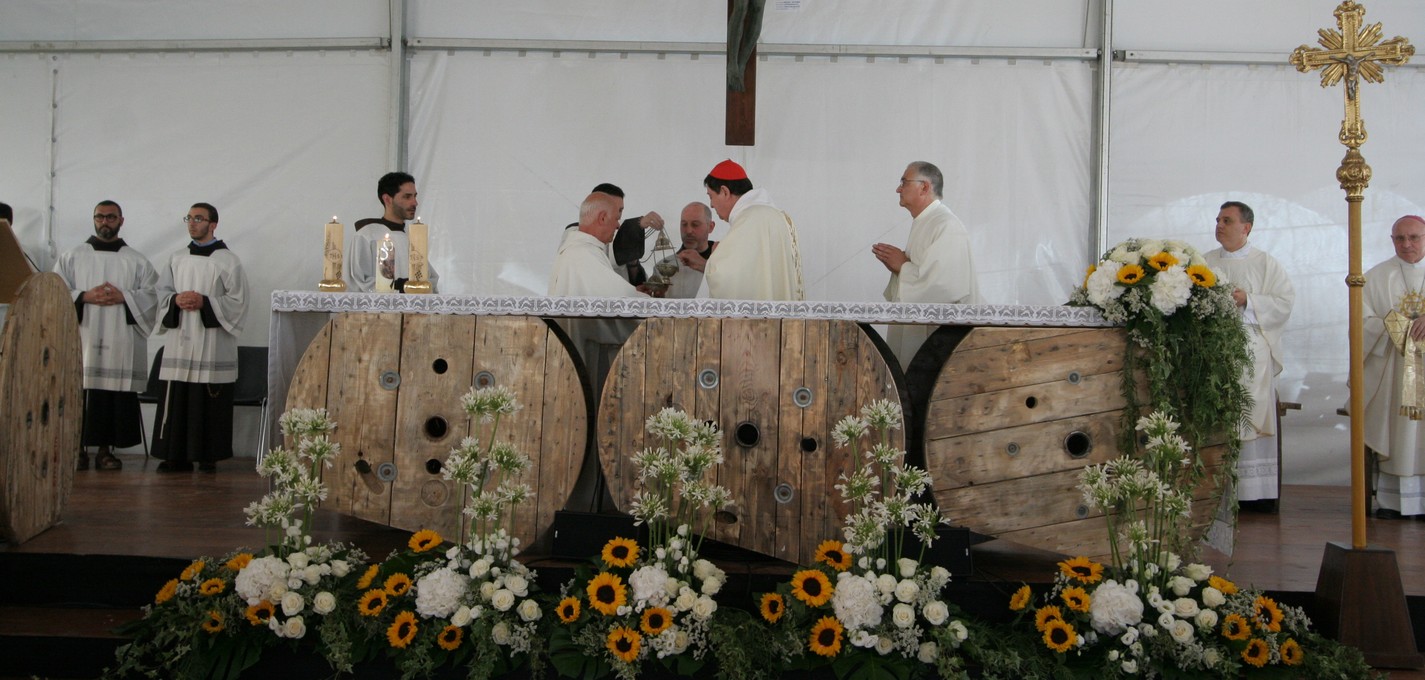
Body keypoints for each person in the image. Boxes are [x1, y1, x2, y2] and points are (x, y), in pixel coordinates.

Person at [53, 200, 159, 470]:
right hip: (82, 338)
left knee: (110, 398)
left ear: (121, 220)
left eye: (111, 217)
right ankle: (76, 451)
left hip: (119, 340)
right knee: (78, 392)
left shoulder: (136, 260)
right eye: (100, 217)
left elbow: (151, 298)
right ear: (94, 219)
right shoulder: (72, 256)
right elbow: (53, 293)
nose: (104, 222)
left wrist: (125, 296)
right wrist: (84, 296)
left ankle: (105, 451)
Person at [1203, 201, 1295, 512]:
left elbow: (1285, 302)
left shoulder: (1266, 263)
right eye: (1217, 220)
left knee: (1249, 413)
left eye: (1226, 220)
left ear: (1246, 227)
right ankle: (1217, 491)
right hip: (1214, 355)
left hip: (1252, 356)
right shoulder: (1203, 263)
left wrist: (1249, 300)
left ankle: (1256, 493)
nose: (1219, 225)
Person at [151, 203, 249, 473]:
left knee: (207, 398)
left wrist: (205, 302)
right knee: (179, 396)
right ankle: (175, 456)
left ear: (213, 224)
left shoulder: (228, 260)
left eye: (199, 218)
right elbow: (160, 294)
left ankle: (208, 455)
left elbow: (238, 302)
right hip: (180, 339)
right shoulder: (176, 258)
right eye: (189, 218)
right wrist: (175, 299)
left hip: (212, 342)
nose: (192, 223)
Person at [873, 161, 979, 366]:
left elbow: (944, 287)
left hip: (941, 338)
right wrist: (900, 267)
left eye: (904, 182)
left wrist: (903, 267)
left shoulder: (946, 224)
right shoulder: (925, 221)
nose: (898, 189)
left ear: (924, 187)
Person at [1364, 214, 1425, 518]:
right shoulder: (1376, 277)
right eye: (1400, 238)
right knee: (1399, 432)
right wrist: (1398, 326)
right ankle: (1394, 502)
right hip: (1393, 369)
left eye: (1414, 237)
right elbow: (1361, 321)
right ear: (1392, 240)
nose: (1407, 244)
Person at [702, 160, 804, 301]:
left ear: (725, 192)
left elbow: (723, 276)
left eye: (711, 196)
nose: (711, 205)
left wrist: (714, 257)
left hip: (756, 322)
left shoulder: (748, 220)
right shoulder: (779, 216)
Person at [348, 172, 438, 293]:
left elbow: (430, 278)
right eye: (407, 197)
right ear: (387, 199)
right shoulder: (367, 235)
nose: (415, 202)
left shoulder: (412, 238)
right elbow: (359, 280)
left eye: (415, 196)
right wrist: (400, 286)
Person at [561, 183, 664, 286]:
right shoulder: (575, 235)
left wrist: (633, 265)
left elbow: (631, 283)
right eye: (614, 209)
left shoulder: (620, 237)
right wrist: (639, 224)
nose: (618, 215)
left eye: (620, 210)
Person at [659, 202, 718, 299]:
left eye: (695, 225)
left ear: (710, 227)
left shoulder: (723, 265)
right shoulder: (664, 267)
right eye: (684, 224)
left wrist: (704, 265)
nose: (688, 231)